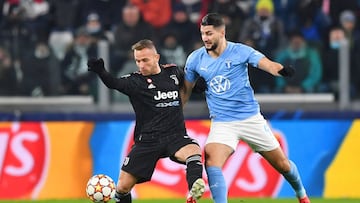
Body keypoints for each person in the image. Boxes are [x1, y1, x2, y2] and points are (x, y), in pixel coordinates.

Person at [181, 13, 311, 203]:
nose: (205, 38)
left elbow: (267, 64)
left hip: (250, 119)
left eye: (209, 33)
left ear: (222, 32)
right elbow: (186, 91)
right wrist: (175, 113)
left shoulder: (240, 51)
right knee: (211, 161)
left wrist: (281, 70)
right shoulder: (195, 59)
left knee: (283, 165)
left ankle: (302, 195)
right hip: (222, 122)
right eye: (202, 34)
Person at [87, 39, 205, 203]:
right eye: (137, 61)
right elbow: (114, 83)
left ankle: (193, 191)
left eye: (145, 60)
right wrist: (101, 72)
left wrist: (201, 84)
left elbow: (193, 84)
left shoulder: (173, 72)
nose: (141, 65)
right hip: (148, 141)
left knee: (194, 152)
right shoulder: (135, 81)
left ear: (156, 57)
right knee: (122, 187)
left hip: (175, 136)